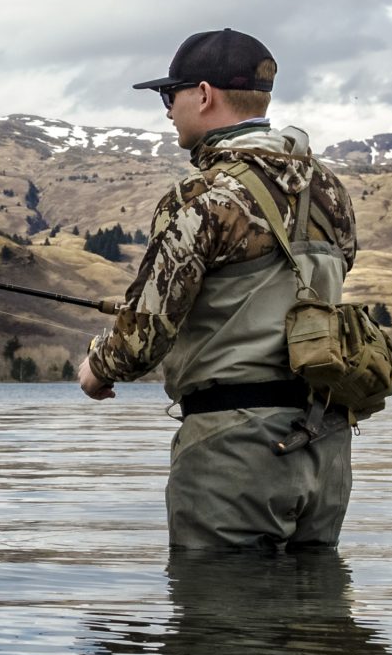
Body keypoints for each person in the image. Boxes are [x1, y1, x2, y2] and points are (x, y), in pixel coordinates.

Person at [74, 29, 360, 548]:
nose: (167, 110)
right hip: (326, 444)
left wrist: (98, 366)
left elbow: (147, 332)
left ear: (203, 95)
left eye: (170, 95)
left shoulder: (202, 196)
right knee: (316, 624)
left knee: (220, 623)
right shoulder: (329, 190)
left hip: (234, 451)